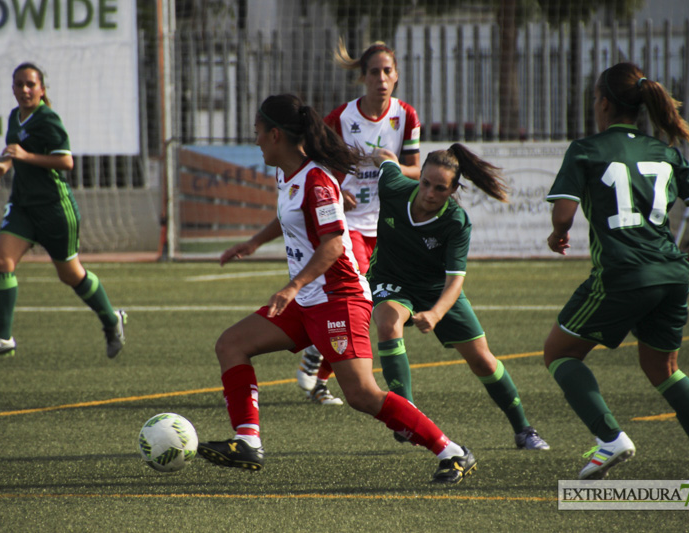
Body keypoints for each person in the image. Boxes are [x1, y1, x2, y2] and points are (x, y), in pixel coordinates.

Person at [197, 94, 476, 484]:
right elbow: (291, 215)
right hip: (309, 300)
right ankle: (247, 441)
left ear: (276, 135)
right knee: (231, 344)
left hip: (338, 299)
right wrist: (255, 243)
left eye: (258, 132)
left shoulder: (317, 181)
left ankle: (452, 451)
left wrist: (292, 286)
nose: (256, 140)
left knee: (362, 394)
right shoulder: (287, 174)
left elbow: (332, 244)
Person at [544, 62, 689, 483]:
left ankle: (610, 438)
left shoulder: (586, 148)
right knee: (663, 369)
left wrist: (558, 234)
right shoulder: (665, 152)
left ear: (602, 102)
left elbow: (564, 212)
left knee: (559, 352)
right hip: (670, 272)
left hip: (623, 271)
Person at [368, 144, 549, 451]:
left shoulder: (455, 221)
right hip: (391, 280)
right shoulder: (394, 187)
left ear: (453, 190)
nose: (429, 193)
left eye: (440, 188)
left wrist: (436, 314)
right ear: (419, 176)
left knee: (483, 361)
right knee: (388, 324)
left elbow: (454, 282)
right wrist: (378, 153)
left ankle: (523, 429)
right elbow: (388, 163)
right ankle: (407, 414)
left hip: (437, 289)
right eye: (425, 183)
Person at [295, 39, 422, 405]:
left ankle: (317, 362)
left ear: (396, 76)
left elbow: (415, 170)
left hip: (387, 228)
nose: (381, 79)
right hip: (349, 226)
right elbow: (317, 165)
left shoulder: (406, 116)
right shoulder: (341, 118)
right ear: (362, 78)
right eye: (374, 72)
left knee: (375, 310)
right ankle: (320, 378)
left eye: (387, 71)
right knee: (360, 307)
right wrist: (337, 190)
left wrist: (395, 168)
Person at [0, 62, 126, 360]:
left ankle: (111, 319)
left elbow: (65, 162)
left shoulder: (49, 120)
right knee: (2, 262)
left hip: (55, 208)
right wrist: (5, 165)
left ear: (42, 89)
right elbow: (15, 152)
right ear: (13, 89)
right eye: (19, 84)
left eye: (31, 84)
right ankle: (3, 337)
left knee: (70, 275)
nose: (25, 90)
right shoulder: (15, 117)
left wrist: (25, 155)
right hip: (23, 206)